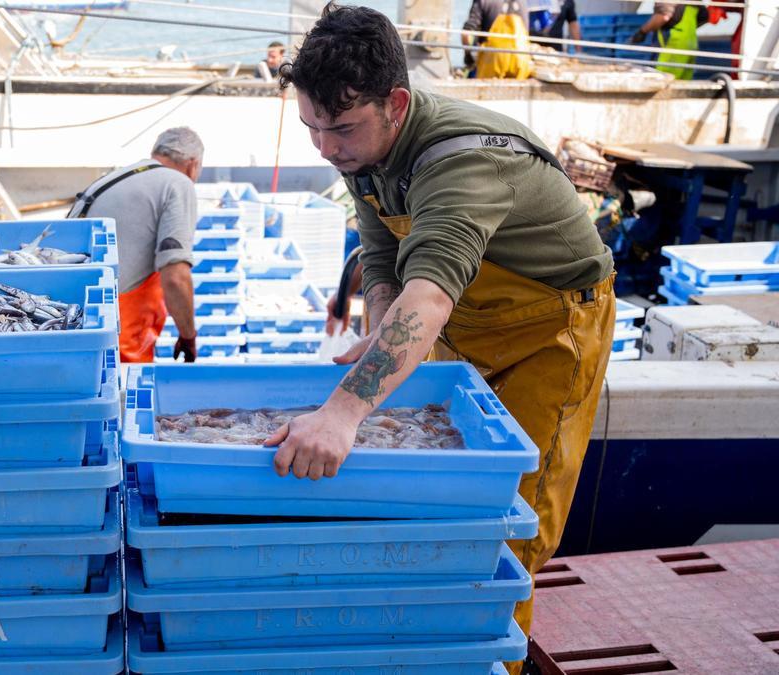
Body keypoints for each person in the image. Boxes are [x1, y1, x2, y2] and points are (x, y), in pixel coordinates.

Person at [272, 6, 615, 673]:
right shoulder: (362, 146)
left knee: (511, 523)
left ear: (396, 103)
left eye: (340, 128)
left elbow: (426, 295)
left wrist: (344, 411)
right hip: (462, 323)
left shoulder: (459, 160)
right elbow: (382, 258)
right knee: (444, 502)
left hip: (550, 330)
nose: (325, 147)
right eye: (312, 127)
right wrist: (378, 342)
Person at [67, 127, 203, 364]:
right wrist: (188, 334)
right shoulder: (178, 183)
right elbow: (175, 276)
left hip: (69, 315)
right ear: (192, 165)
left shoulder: (114, 178)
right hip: (115, 331)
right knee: (123, 396)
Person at [631, 1, 707, 80]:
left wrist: (643, 31)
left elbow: (663, 17)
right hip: (691, 43)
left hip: (673, 44)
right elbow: (705, 17)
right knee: (683, 83)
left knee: (663, 80)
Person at [462, 0, 533, 78]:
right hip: (521, 61)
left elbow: (466, 34)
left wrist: (469, 57)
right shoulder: (523, 2)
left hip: (493, 62)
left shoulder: (483, 1)